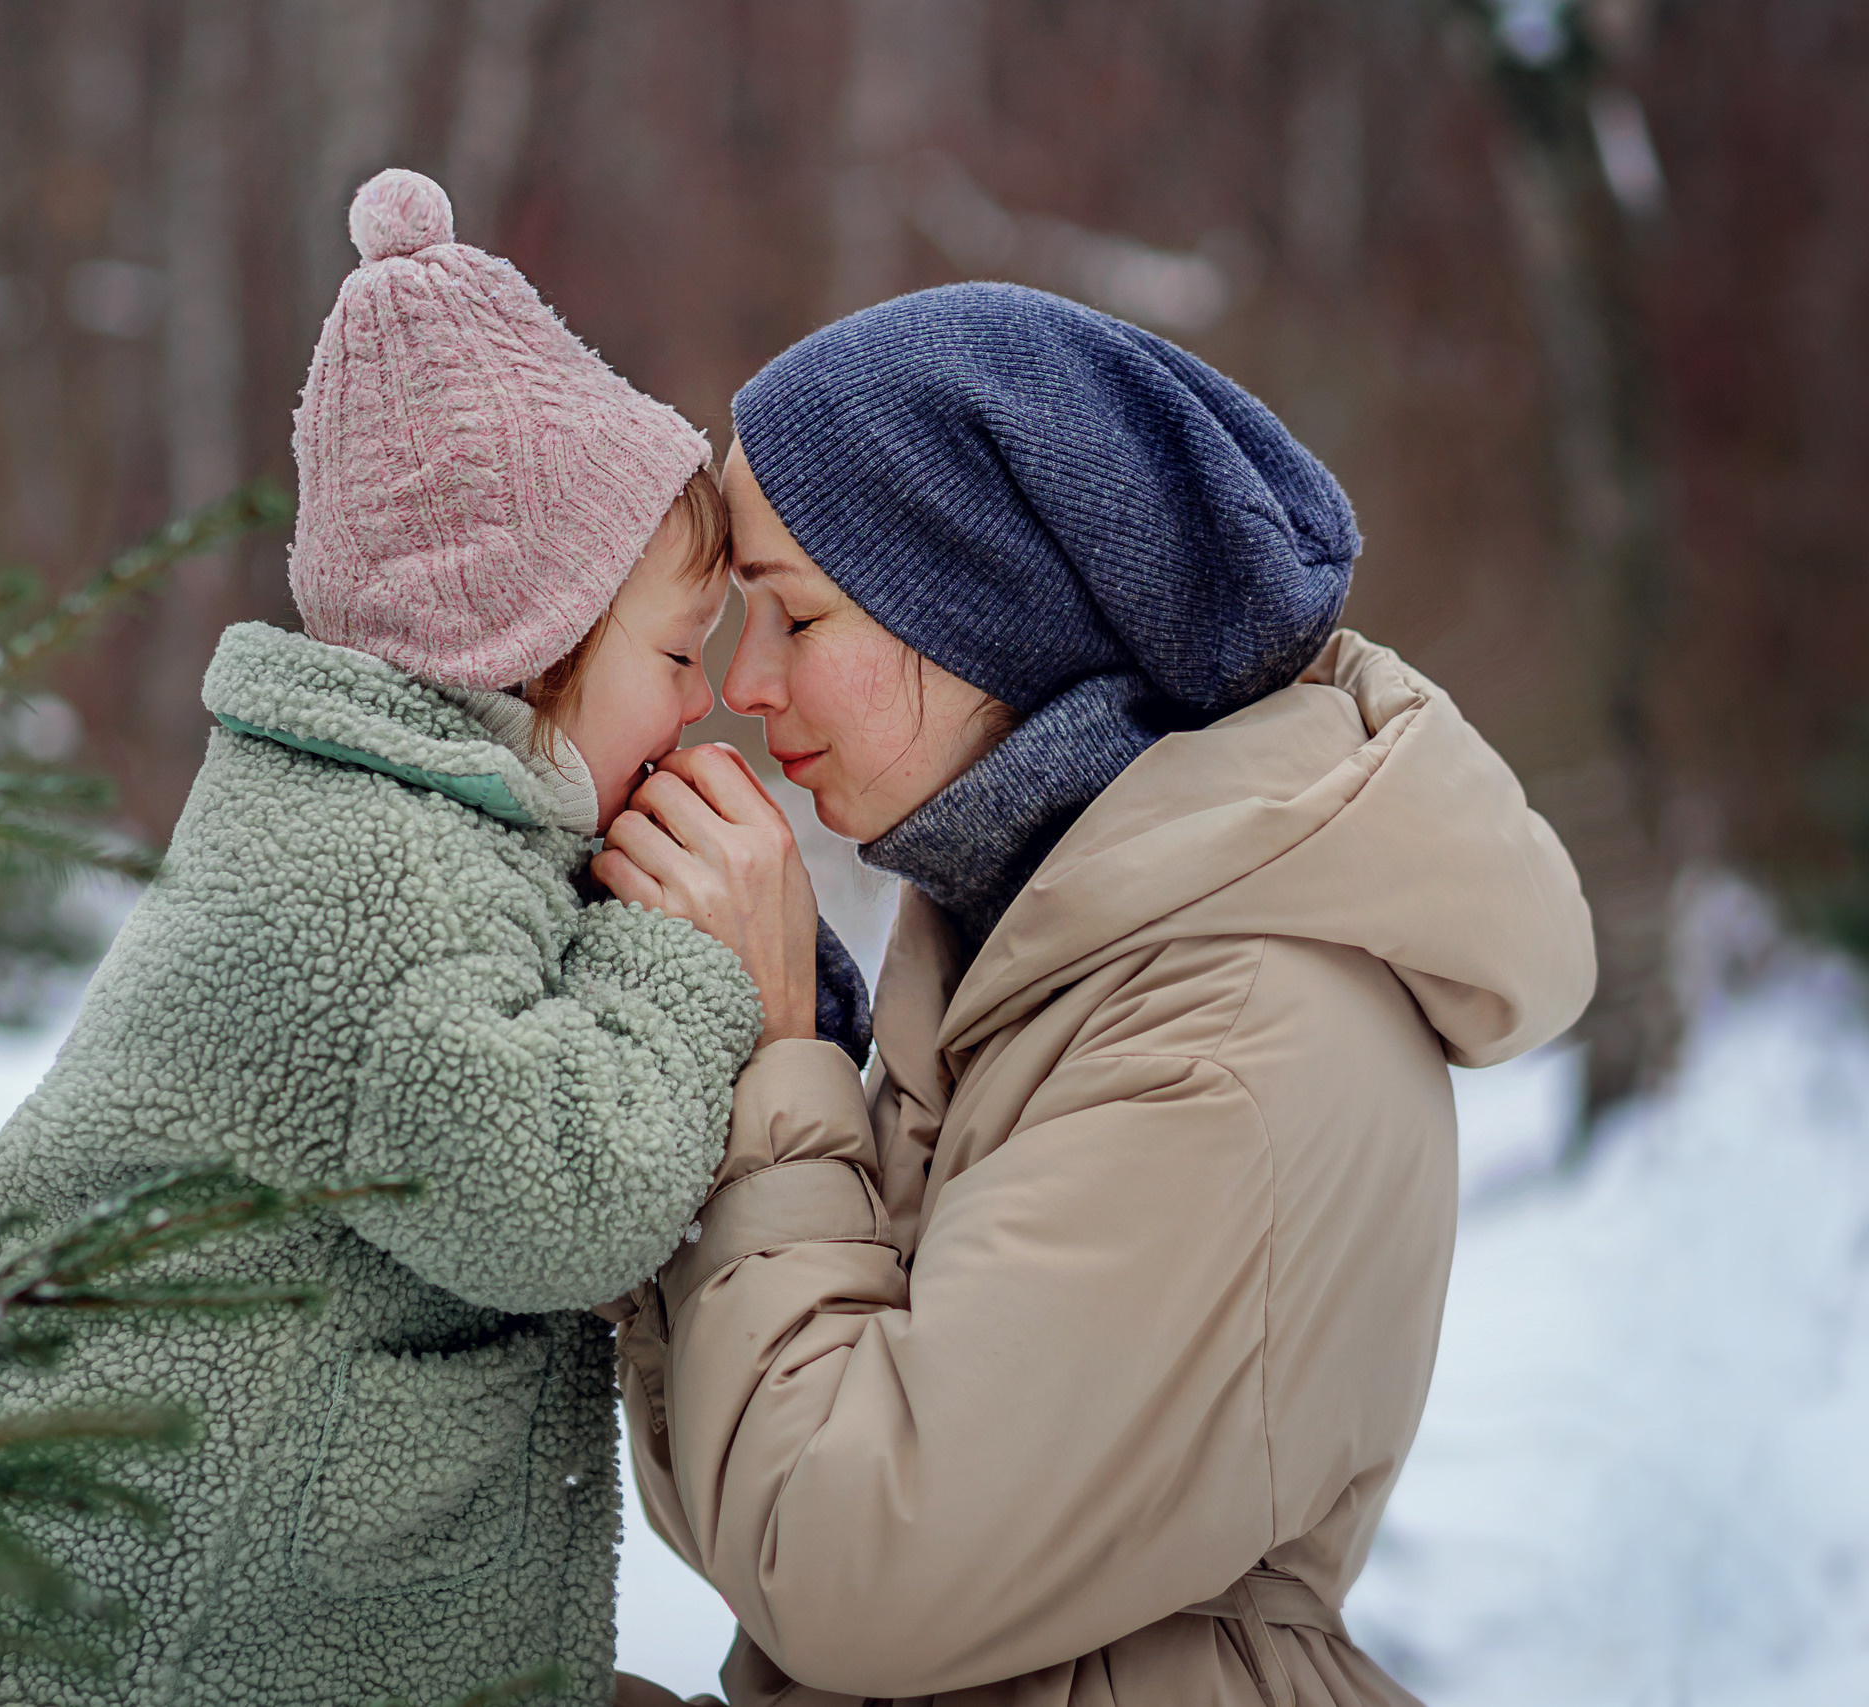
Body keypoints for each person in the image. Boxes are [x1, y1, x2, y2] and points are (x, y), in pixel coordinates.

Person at [594, 283, 1597, 1707]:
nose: (739, 685)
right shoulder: (1037, 964)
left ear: (983, 613)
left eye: (795, 617)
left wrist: (782, 1064)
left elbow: (846, 1568)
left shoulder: (1228, 1029)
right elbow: (758, 1520)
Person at [0, 170, 765, 1707]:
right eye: (677, 654)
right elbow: (557, 1199)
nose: (700, 702)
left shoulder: (383, 824)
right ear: (526, 644)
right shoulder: (365, 880)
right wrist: (683, 961)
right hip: (124, 1641)